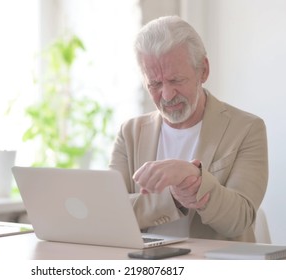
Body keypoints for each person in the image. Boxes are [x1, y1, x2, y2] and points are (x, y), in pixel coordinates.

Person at [108, 15, 268, 242]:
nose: (166, 95)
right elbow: (110, 212)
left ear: (203, 70)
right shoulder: (130, 132)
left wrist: (195, 179)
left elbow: (239, 219)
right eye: (154, 84)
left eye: (175, 80)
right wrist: (172, 198)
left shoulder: (246, 128)